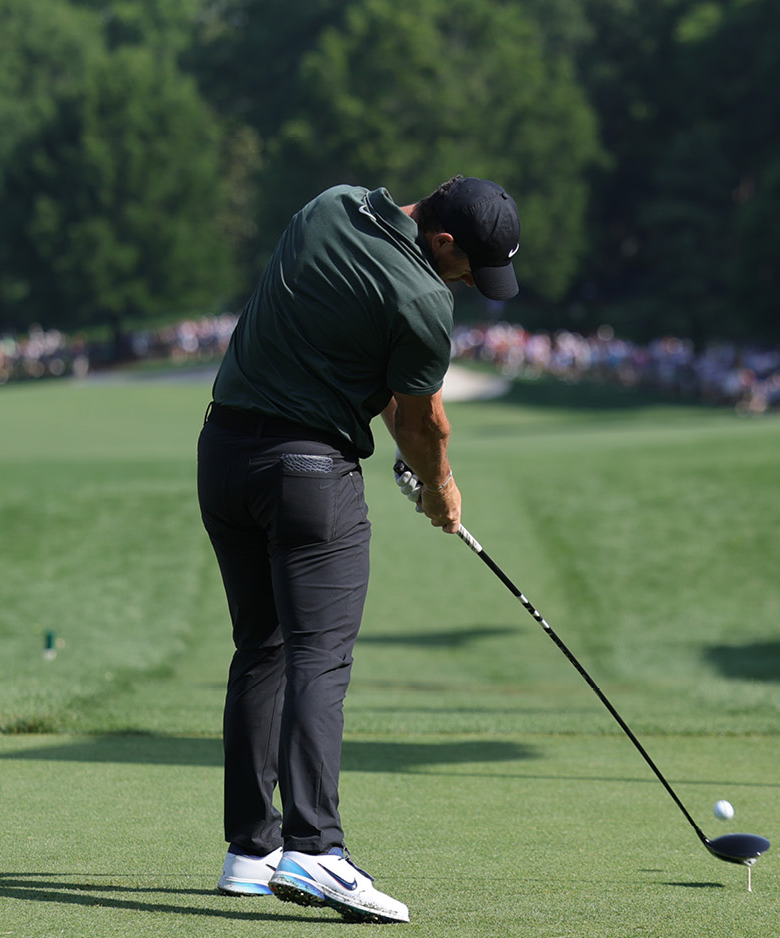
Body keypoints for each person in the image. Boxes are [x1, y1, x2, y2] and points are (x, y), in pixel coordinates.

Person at [197, 175, 521, 924]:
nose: (471, 284)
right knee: (319, 654)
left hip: (223, 455)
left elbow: (347, 345)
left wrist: (407, 454)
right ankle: (314, 849)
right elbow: (422, 424)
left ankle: (250, 852)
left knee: (263, 648)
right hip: (309, 474)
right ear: (442, 242)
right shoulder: (424, 298)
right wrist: (440, 489)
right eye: (471, 267)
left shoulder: (330, 206)